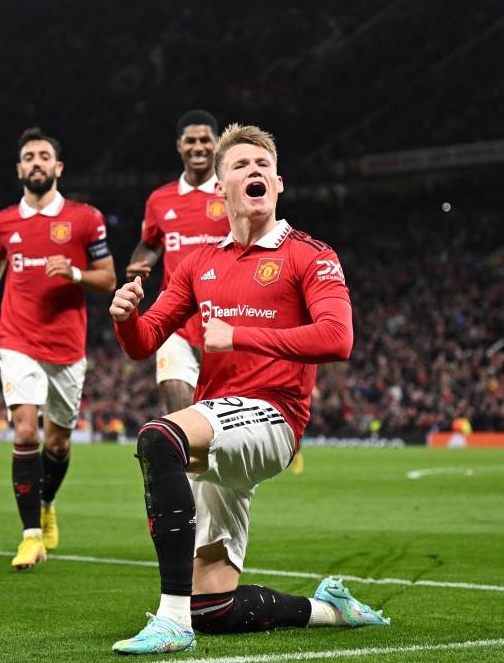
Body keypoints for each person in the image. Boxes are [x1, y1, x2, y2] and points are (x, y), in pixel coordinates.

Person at [108, 124, 388, 655]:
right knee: (215, 606)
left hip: (274, 419)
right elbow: (146, 341)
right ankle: (330, 609)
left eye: (262, 164)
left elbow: (338, 338)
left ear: (278, 183)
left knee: (157, 439)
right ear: (220, 190)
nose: (253, 171)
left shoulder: (311, 254)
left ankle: (171, 624)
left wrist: (239, 335)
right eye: (239, 165)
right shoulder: (199, 262)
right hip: (220, 419)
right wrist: (125, 317)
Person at [0, 127, 116, 569]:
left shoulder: (85, 219)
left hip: (66, 345)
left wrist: (76, 275)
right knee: (25, 431)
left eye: (45, 156)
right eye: (29, 156)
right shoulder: (2, 222)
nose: (37, 162)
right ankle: (30, 536)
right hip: (17, 338)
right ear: (20, 168)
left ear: (58, 168)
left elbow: (109, 278)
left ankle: (46, 503)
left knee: (57, 444)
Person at [125, 110, 230, 415]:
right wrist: (139, 267)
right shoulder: (160, 199)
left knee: (222, 419)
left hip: (224, 316)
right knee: (177, 405)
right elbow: (149, 244)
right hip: (175, 316)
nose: (198, 147)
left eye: (205, 140)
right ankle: (183, 461)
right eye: (191, 141)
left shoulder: (231, 193)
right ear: (179, 146)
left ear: (217, 144)